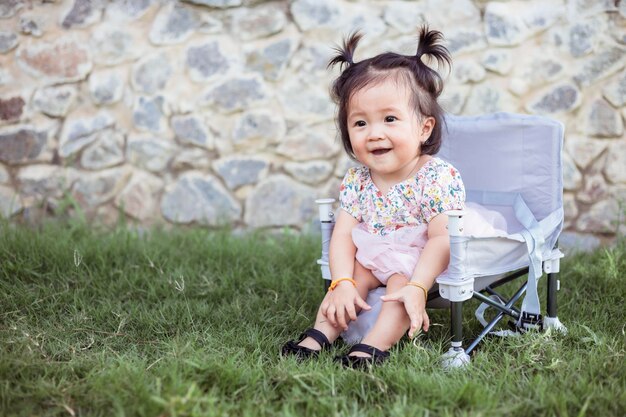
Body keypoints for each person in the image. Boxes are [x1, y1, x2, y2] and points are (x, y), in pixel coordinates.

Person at [282, 26, 465, 368]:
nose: (374, 133)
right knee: (352, 276)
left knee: (400, 287)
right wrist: (343, 281)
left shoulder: (436, 177)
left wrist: (419, 287)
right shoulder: (358, 180)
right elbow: (342, 234)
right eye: (360, 123)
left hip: (418, 257)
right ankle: (321, 334)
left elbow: (442, 240)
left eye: (390, 119)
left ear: (424, 128)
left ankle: (372, 346)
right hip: (372, 253)